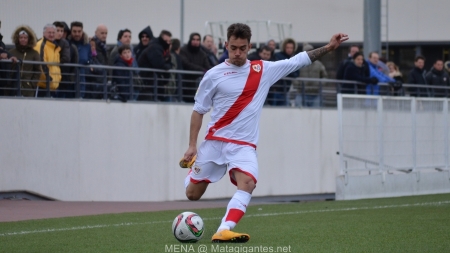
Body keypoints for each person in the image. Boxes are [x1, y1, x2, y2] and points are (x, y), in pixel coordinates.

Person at [181, 23, 348, 243]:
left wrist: (328, 47)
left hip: (243, 145)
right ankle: (195, 170)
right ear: (226, 45)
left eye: (242, 48)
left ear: (250, 46)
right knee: (192, 194)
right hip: (215, 142)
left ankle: (224, 229)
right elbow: (198, 111)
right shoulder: (213, 75)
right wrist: (192, 145)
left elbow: (295, 61)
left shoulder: (263, 70)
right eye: (233, 48)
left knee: (248, 183)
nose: (238, 53)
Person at [8, 25, 41, 97]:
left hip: (28, 89)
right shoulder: (11, 52)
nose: (23, 39)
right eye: (21, 37)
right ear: (17, 38)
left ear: (29, 39)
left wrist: (32, 84)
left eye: (25, 38)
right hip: (12, 88)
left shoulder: (34, 53)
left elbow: (38, 70)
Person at [293, 43, 328, 107]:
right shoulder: (299, 64)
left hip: (316, 94)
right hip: (301, 93)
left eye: (311, 51)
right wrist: (298, 84)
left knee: (316, 113)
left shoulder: (319, 64)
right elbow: (294, 76)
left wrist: (320, 84)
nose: (310, 53)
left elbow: (325, 77)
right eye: (308, 51)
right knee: (299, 111)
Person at [33, 24, 61, 97]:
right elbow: (40, 64)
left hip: (52, 87)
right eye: (49, 33)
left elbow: (56, 66)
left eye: (53, 33)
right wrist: (49, 79)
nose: (51, 35)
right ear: (43, 33)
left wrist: (57, 79)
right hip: (43, 86)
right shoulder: (41, 45)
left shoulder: (54, 47)